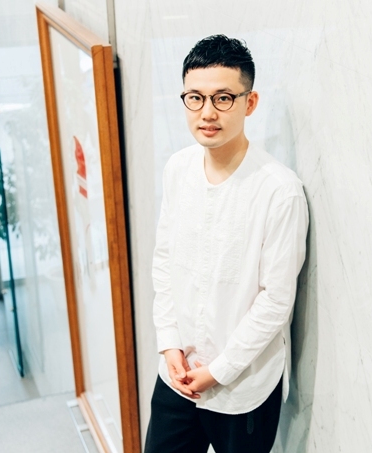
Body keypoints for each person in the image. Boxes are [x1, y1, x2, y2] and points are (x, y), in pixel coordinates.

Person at [144, 35, 309, 453]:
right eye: (195, 98)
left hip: (243, 386)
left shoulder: (280, 191)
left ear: (249, 103)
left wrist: (219, 369)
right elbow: (164, 261)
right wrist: (169, 342)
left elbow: (276, 300)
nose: (207, 113)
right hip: (177, 374)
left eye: (223, 98)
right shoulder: (177, 168)